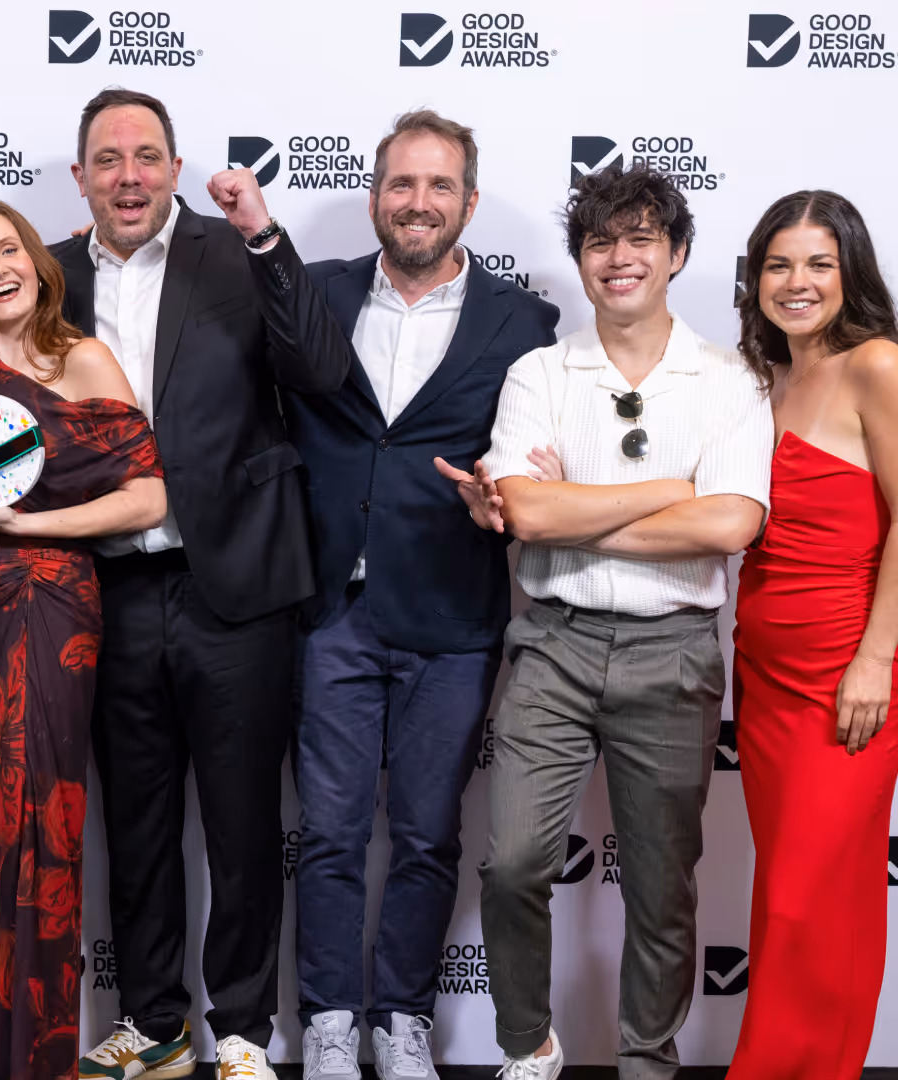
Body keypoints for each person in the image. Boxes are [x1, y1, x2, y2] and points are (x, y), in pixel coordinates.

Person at [237, 110, 558, 1079]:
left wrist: (518, 485)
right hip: (331, 605)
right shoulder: (315, 296)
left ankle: (403, 1020)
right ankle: (331, 1018)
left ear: (465, 200)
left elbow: (536, 449)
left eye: (439, 186)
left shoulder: (524, 320)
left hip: (454, 614)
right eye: (402, 184)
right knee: (329, 833)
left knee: (426, 835)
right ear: (376, 195)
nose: (419, 202)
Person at [48, 89, 346, 1080]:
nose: (128, 176)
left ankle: (246, 1031)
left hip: (237, 586)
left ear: (175, 168)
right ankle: (154, 1021)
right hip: (108, 591)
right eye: (107, 159)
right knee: (135, 826)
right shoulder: (44, 277)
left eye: (146, 156)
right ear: (82, 174)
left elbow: (316, 368)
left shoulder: (235, 250)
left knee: (243, 825)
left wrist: (266, 236)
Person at [458, 163, 772, 1080]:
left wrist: (577, 503)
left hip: (672, 653)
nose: (620, 257)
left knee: (662, 886)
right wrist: (668, 492)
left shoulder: (729, 379)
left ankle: (647, 1057)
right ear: (582, 261)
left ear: (676, 254)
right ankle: (527, 1046)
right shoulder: (539, 372)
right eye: (601, 241)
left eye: (642, 238)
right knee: (514, 862)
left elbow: (730, 524)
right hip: (551, 644)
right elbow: (527, 514)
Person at [0, 199, 165, 1080]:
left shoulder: (85, 358)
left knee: (44, 820)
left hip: (58, 604)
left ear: (37, 263)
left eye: (6, 248)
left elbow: (147, 497)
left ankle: (35, 1058)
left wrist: (31, 526)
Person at [724, 191, 898, 1079]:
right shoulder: (766, 379)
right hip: (762, 682)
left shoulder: (878, 365)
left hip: (847, 682)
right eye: (779, 265)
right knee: (791, 905)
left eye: (819, 264)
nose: (796, 283)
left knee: (808, 905)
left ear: (851, 273)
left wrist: (875, 660)